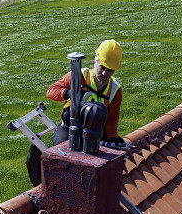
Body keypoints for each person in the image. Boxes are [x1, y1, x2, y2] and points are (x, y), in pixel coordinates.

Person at [26, 40, 124, 185]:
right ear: (95, 60)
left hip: (95, 131)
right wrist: (67, 93)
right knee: (62, 152)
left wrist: (112, 137)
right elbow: (51, 91)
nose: (104, 73)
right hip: (69, 126)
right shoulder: (79, 75)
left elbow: (112, 118)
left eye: (109, 70)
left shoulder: (115, 89)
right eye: (102, 67)